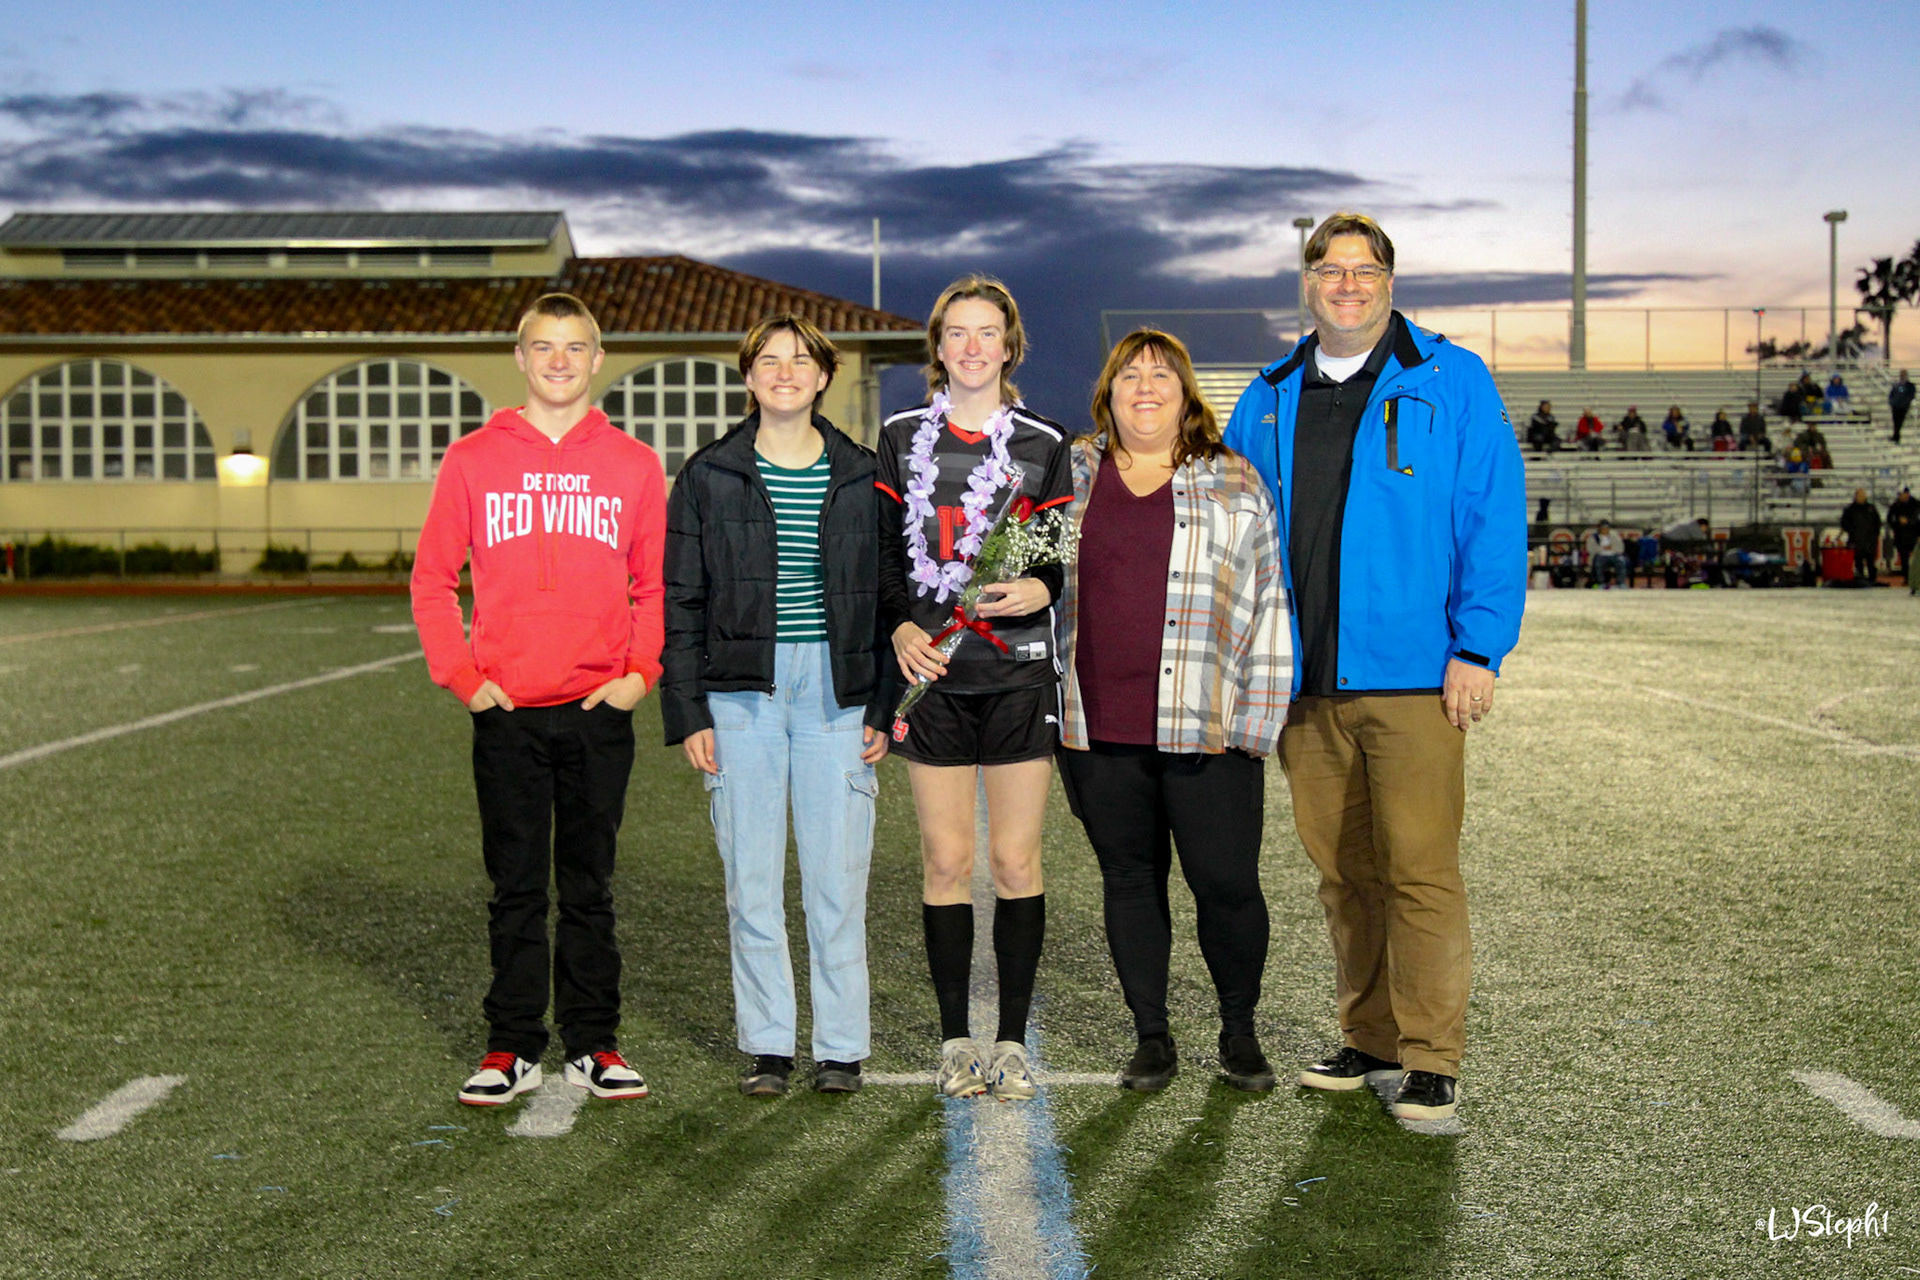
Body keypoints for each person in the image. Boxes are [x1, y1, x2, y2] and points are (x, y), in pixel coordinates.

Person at [1224, 213, 1526, 1125]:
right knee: (1345, 877)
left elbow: (1492, 515)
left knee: (1420, 872)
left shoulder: (1452, 379)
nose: (1347, 284)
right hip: (1304, 686)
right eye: (1330, 269)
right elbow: (1230, 532)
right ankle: (1371, 1037)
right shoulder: (1268, 394)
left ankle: (1431, 1057)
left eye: (1364, 270)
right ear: (1308, 283)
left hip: (1415, 680)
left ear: (1391, 281)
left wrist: (1478, 648)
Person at [411, 292, 666, 1107]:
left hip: (599, 708)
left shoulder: (633, 463)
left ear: (598, 359)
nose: (559, 361)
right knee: (516, 886)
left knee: (590, 887)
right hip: (507, 712)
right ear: (521, 358)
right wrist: (463, 678)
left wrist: (638, 674)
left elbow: (655, 584)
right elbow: (430, 579)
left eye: (575, 347)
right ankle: (511, 1044)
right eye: (544, 347)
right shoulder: (472, 458)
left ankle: (594, 1041)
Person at [661, 314, 894, 1098]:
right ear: (749, 375)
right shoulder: (708, 474)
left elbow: (890, 595)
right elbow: (681, 598)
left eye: (801, 360)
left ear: (824, 375)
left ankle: (840, 1049)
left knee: (837, 881)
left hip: (836, 693)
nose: (785, 371)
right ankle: (768, 1046)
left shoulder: (863, 475)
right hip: (740, 696)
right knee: (752, 883)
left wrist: (883, 704)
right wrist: (689, 711)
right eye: (769, 359)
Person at [1056, 330, 1289, 1094]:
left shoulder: (1232, 479)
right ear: (1108, 393)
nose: (1145, 387)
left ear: (1186, 394)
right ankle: (1151, 1036)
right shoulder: (1072, 473)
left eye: (1162, 375)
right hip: (1099, 725)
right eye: (1130, 375)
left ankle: (1239, 1031)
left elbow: (1268, 601)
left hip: (1207, 727)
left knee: (1226, 883)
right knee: (1129, 879)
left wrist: (1256, 722)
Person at [876, 275, 1072, 1101]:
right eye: (956, 332)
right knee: (948, 860)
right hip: (937, 680)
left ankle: (1013, 1042)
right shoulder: (898, 437)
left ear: (1010, 345)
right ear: (938, 346)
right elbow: (885, 555)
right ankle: (956, 1040)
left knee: (1015, 858)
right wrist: (899, 625)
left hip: (1017, 676)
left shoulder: (1044, 441)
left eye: (987, 332)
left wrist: (1040, 588)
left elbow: (1055, 559)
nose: (972, 347)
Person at [1840, 489, 1882, 583]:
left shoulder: (1871, 508)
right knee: (1858, 562)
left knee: (1871, 561)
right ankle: (1860, 580)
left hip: (1870, 541)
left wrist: (1874, 534)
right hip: (1856, 541)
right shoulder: (1850, 509)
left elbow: (1877, 522)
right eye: (1859, 495)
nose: (1861, 497)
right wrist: (1853, 531)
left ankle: (1872, 580)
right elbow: (1844, 523)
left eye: (1863, 495)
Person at [1886, 485, 1919, 583]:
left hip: (1914, 536)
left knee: (1917, 560)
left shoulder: (1916, 505)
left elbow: (1917, 520)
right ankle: (1907, 578)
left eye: (1902, 494)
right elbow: (1890, 519)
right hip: (1901, 537)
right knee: (1904, 560)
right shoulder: (1896, 506)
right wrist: (1897, 523)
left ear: (1907, 494)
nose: (1900, 496)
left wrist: (1909, 521)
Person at [1584, 519, 1626, 588]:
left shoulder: (1614, 536)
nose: (1604, 529)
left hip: (1613, 555)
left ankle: (1620, 583)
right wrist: (1602, 548)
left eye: (1606, 528)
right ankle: (1601, 583)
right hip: (1600, 555)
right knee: (1598, 563)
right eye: (1603, 527)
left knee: (1621, 561)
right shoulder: (1593, 537)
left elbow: (1620, 548)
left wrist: (1612, 548)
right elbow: (1590, 549)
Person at [1890, 370, 1914, 444]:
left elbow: (1911, 395)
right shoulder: (1897, 385)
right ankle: (1896, 436)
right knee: (1895, 422)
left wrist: (1906, 403)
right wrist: (1892, 403)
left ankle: (1896, 437)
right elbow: (1891, 394)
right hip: (1896, 406)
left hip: (1903, 407)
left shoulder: (1910, 386)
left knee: (1900, 422)